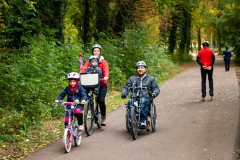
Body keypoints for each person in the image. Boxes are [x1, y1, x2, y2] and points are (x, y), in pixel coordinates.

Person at [121, 61, 160, 127]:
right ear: (137, 69)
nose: (140, 69)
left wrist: (154, 94)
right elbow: (126, 87)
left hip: (146, 98)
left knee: (142, 102)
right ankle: (131, 120)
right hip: (135, 97)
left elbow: (156, 89)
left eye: (142, 68)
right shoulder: (132, 79)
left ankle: (141, 121)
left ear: (145, 69)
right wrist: (124, 93)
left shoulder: (151, 79)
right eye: (138, 68)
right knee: (130, 102)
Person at [80, 44, 109, 126]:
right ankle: (89, 106)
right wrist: (79, 76)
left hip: (102, 84)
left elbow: (106, 70)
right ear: (92, 52)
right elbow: (84, 69)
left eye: (98, 51)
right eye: (94, 50)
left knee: (101, 100)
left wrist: (106, 76)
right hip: (90, 82)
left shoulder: (103, 62)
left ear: (100, 52)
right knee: (86, 96)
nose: (96, 52)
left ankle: (103, 117)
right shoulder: (89, 61)